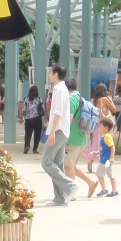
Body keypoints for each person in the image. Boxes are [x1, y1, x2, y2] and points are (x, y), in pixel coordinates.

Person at [40, 64, 78, 205]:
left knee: (46, 162)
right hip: (62, 130)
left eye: (51, 72)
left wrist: (52, 133)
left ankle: (70, 185)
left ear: (56, 74)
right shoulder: (62, 89)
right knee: (57, 164)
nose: (49, 75)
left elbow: (57, 112)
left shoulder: (59, 89)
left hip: (58, 130)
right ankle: (60, 198)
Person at [64, 78, 97, 198]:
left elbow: (69, 118)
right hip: (81, 138)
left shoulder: (71, 99)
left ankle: (71, 193)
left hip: (72, 138)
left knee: (68, 167)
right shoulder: (80, 98)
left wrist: (62, 135)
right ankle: (91, 183)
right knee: (72, 165)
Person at [82, 83, 117, 172]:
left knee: (94, 144)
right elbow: (114, 110)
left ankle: (91, 160)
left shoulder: (92, 100)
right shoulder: (105, 99)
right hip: (105, 125)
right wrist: (110, 99)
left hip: (95, 126)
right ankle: (105, 164)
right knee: (106, 144)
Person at [94, 117, 118, 197]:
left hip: (105, 160)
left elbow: (112, 146)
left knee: (99, 174)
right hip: (106, 160)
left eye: (101, 126)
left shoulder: (107, 136)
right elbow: (105, 148)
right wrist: (98, 152)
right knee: (111, 175)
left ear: (106, 128)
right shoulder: (105, 136)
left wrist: (112, 157)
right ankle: (114, 190)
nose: (99, 128)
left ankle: (104, 189)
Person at [21, 85, 45, 154]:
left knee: (28, 134)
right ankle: (35, 149)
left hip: (28, 119)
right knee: (37, 134)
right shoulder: (39, 99)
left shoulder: (26, 99)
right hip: (37, 119)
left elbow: (23, 110)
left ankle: (27, 145)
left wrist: (24, 115)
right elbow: (43, 108)